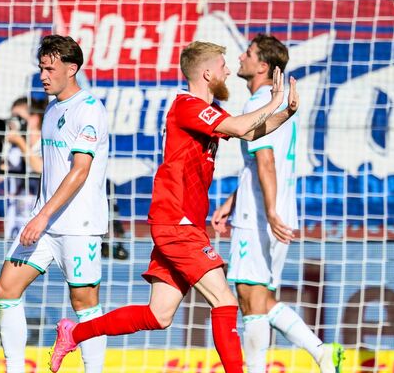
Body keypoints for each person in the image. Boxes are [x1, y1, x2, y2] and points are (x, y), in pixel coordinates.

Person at [49, 41, 300, 373]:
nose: (228, 70)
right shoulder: (187, 106)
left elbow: (250, 133)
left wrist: (285, 113)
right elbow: (242, 127)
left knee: (158, 315)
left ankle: (74, 331)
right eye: (223, 65)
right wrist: (274, 100)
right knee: (224, 300)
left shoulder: (208, 112)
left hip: (183, 223)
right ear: (207, 73)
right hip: (175, 221)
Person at [211, 34, 344, 373]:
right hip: (277, 208)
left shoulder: (258, 104)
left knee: (249, 300)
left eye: (249, 53)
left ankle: (258, 369)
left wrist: (267, 212)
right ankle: (322, 353)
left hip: (260, 215)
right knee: (264, 299)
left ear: (263, 66)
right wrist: (232, 199)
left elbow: (266, 160)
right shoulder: (281, 103)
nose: (241, 56)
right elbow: (258, 165)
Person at [0, 34, 109, 373]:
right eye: (41, 68)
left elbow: (80, 171)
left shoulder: (89, 110)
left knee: (84, 304)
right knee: (6, 288)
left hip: (78, 227)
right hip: (44, 222)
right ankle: (15, 368)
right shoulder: (53, 107)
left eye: (49, 69)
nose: (43, 76)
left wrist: (41, 216)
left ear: (72, 69)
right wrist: (42, 216)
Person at [0, 97, 45, 240]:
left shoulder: (46, 143)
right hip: (16, 223)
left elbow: (41, 168)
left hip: (41, 223)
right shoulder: (14, 150)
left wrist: (20, 142)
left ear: (35, 118)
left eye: (18, 117)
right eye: (12, 117)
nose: (14, 121)